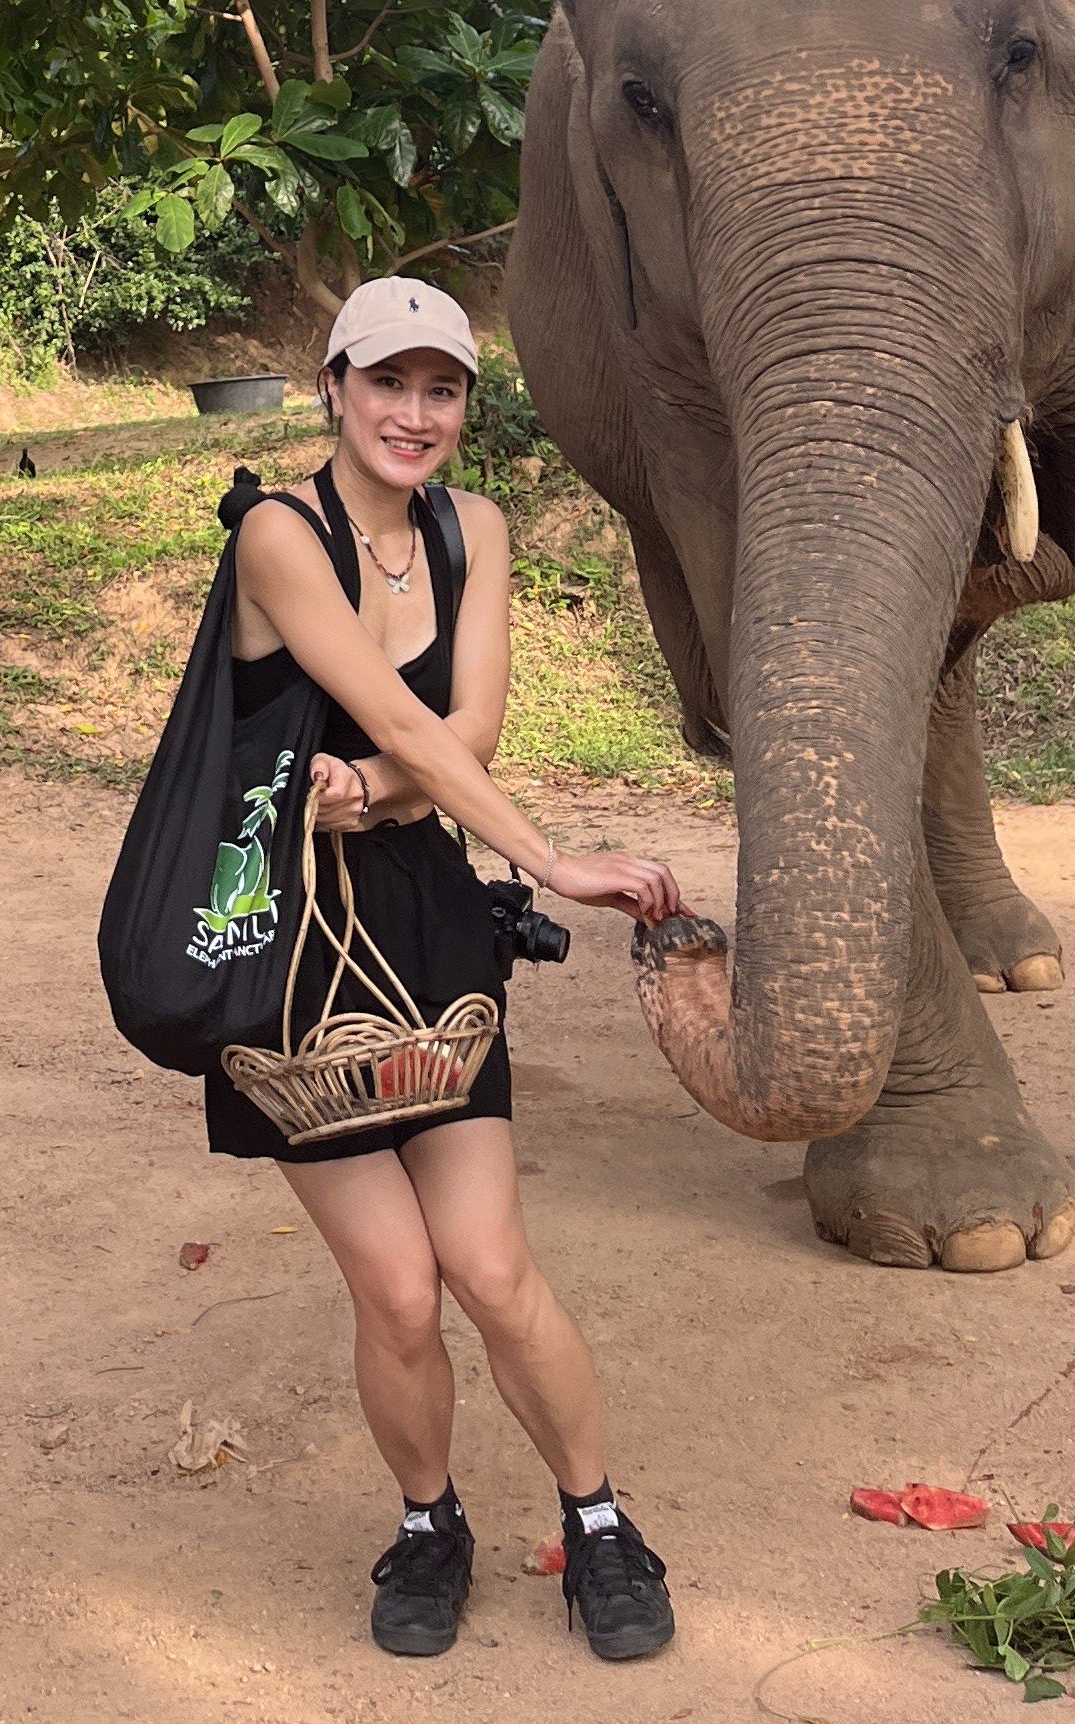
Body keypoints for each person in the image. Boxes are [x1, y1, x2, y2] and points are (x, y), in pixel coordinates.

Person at [218, 275, 687, 1666]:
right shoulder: (274, 534)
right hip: (288, 944)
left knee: (487, 1265)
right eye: (388, 384)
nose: (414, 415)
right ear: (334, 388)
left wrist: (377, 789)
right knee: (399, 1289)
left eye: (442, 390)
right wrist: (557, 862)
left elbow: (461, 729)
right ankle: (431, 1523)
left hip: (424, 923)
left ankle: (600, 1522)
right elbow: (409, 727)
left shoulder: (469, 528)